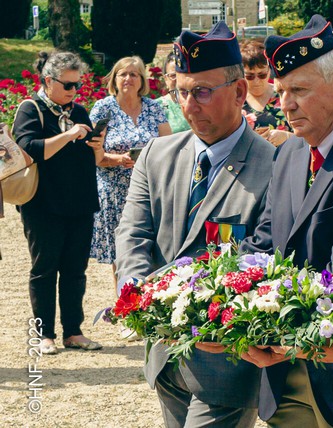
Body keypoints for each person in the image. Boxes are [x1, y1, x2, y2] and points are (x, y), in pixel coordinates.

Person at [114, 22, 275, 427]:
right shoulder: (157, 154)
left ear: (240, 92)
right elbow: (132, 233)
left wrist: (179, 303)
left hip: (225, 362)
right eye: (181, 91)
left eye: (202, 91)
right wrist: (135, 294)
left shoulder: (274, 167)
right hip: (165, 356)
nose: (188, 105)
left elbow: (266, 254)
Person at [236, 15, 333, 428]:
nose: (284, 104)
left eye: (298, 91)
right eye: (282, 91)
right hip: (281, 373)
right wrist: (219, 294)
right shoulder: (290, 152)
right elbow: (266, 241)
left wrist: (272, 322)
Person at [12, 51, 106, 355]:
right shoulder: (31, 109)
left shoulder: (78, 110)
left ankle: (73, 331)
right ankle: (45, 334)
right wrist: (67, 136)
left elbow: (89, 155)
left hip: (79, 202)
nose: (74, 92)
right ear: (48, 81)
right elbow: (29, 149)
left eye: (78, 86)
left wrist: (96, 143)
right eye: (68, 86)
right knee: (44, 269)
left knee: (75, 271)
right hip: (43, 204)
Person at [89, 56, 171, 289]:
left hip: (150, 187)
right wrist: (119, 159)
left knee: (152, 245)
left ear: (142, 80)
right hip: (114, 189)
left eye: (133, 74)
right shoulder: (103, 109)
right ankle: (125, 300)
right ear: (114, 79)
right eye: (122, 74)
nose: (128, 78)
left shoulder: (153, 108)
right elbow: (93, 153)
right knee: (122, 249)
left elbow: (168, 145)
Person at [240, 38, 292, 147]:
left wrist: (287, 137)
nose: (256, 81)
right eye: (250, 76)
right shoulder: (235, 100)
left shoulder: (286, 95)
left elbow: (309, 137)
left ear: (269, 71)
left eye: (262, 75)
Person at [158, 52, 191, 133]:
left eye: (182, 74)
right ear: (165, 78)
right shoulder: (156, 107)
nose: (179, 79)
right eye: (173, 75)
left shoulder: (200, 102)